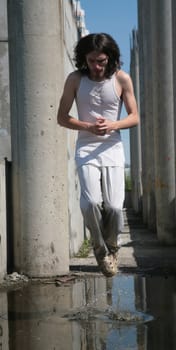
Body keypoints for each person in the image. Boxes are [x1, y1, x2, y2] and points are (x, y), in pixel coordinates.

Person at [57, 33, 139, 277]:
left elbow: (135, 116)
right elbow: (62, 117)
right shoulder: (75, 79)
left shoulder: (122, 79)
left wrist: (112, 126)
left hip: (112, 148)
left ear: (110, 58)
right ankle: (98, 246)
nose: (96, 66)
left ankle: (112, 246)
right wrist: (88, 127)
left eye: (101, 61)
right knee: (91, 201)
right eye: (92, 61)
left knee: (114, 206)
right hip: (86, 147)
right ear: (84, 58)